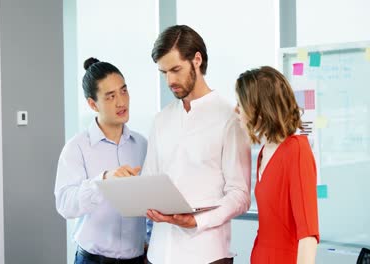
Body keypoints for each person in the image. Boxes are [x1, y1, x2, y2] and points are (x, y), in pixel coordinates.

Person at [143, 25, 251, 264]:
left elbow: (240, 195)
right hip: (158, 254)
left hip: (207, 255)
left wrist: (197, 221)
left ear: (197, 60)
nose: (170, 80)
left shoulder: (230, 117)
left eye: (176, 69)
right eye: (164, 73)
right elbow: (149, 180)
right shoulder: (161, 120)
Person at [54, 58, 147, 264]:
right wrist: (104, 181)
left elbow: (150, 201)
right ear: (92, 104)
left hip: (137, 260)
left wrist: (148, 240)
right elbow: (65, 205)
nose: (121, 102)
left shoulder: (142, 145)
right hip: (93, 260)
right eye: (110, 96)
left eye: (124, 91)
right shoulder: (77, 147)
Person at [235, 66, 320, 264]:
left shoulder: (297, 150)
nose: (236, 110)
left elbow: (308, 236)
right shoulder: (264, 153)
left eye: (241, 104)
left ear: (260, 109)